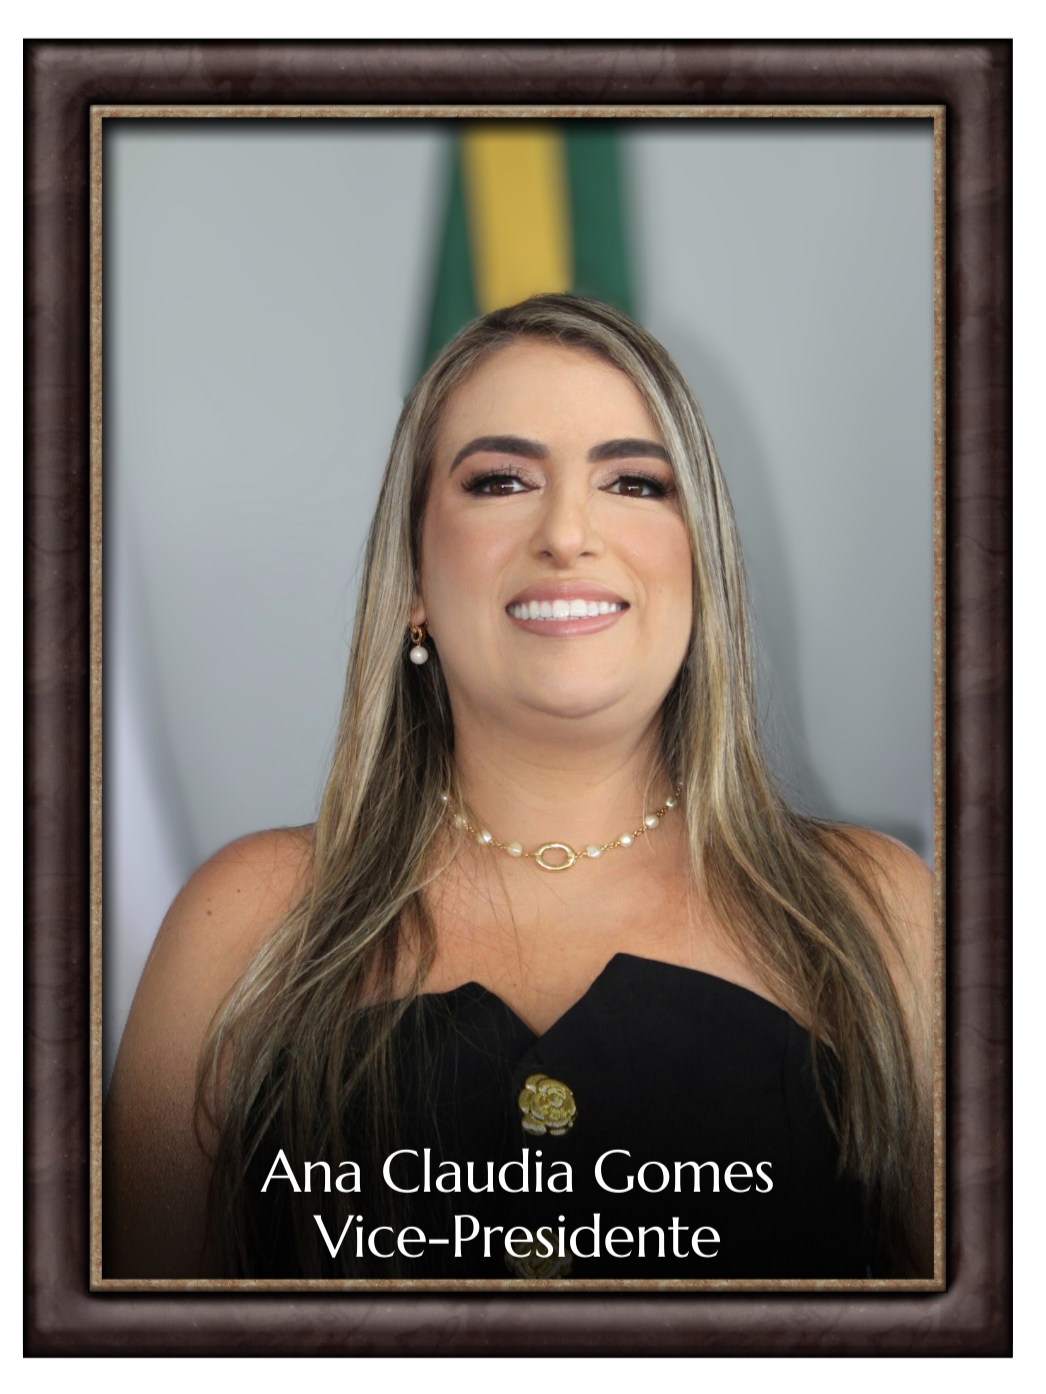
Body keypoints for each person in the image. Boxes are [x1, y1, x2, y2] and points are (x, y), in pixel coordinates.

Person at [103, 294, 934, 1282]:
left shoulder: (874, 910)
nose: (566, 533)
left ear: (703, 563)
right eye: (500, 480)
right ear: (413, 578)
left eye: (634, 482)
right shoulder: (243, 922)